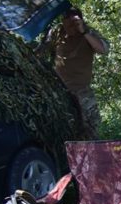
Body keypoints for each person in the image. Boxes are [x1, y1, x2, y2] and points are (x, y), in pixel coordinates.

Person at [38, 7, 110, 139]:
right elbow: (41, 52)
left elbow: (103, 50)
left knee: (92, 127)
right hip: (59, 89)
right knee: (62, 126)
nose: (69, 28)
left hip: (82, 90)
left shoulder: (88, 32)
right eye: (67, 23)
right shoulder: (57, 32)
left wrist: (83, 31)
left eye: (73, 24)